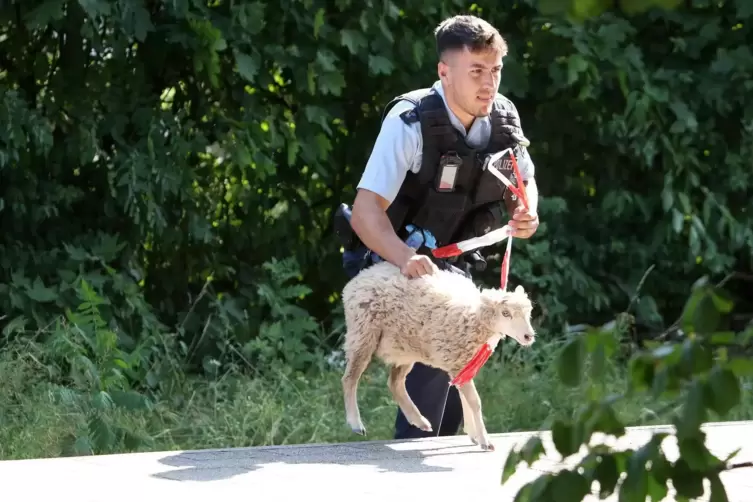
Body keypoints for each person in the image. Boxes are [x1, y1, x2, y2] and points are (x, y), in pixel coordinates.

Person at [336, 14, 540, 440]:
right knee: (442, 347)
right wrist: (405, 257)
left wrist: (527, 212)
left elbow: (525, 181)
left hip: (454, 266)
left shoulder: (502, 118)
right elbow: (365, 211)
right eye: (477, 72)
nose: (490, 84)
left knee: (455, 377)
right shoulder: (410, 121)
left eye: (496, 71)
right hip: (396, 259)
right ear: (444, 72)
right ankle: (415, 462)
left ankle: (437, 454)